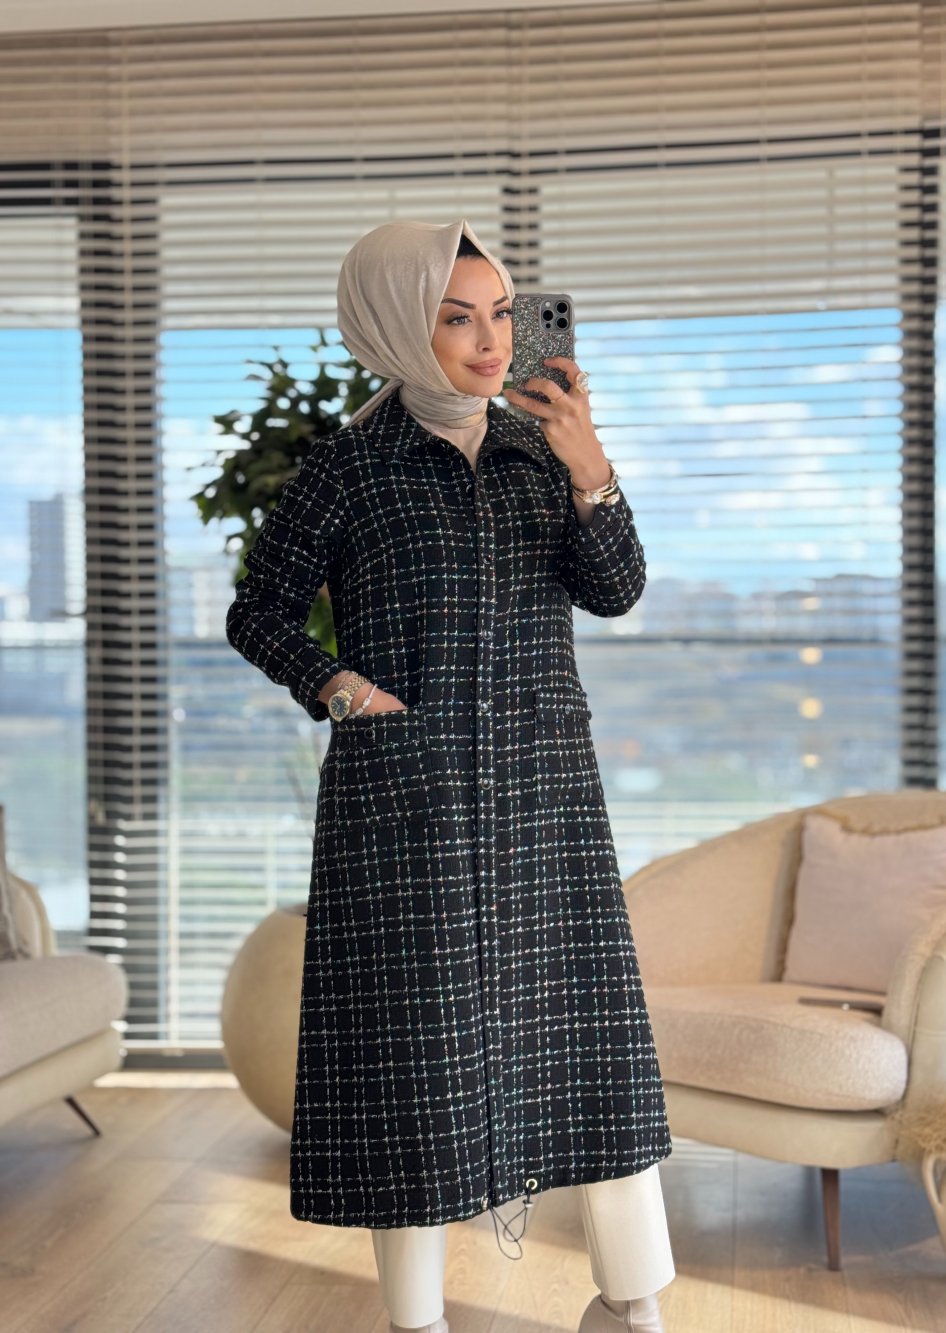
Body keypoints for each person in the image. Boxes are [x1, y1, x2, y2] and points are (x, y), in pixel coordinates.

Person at [225, 219, 675, 1333]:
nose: (491, 340)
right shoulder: (348, 468)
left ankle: (635, 1306)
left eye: (503, 314)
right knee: (415, 1065)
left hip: (545, 796)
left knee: (592, 1053)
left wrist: (592, 473)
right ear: (395, 324)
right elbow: (258, 611)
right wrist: (340, 687)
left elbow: (615, 591)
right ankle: (415, 1318)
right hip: (404, 802)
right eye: (457, 316)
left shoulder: (540, 451)